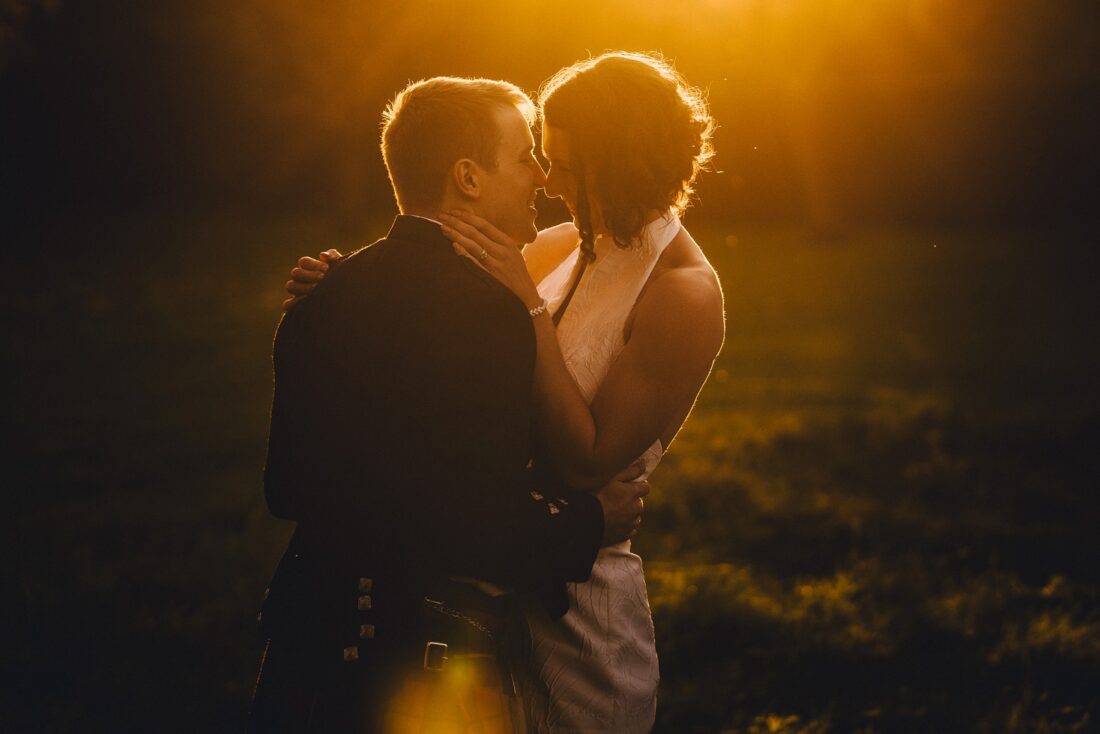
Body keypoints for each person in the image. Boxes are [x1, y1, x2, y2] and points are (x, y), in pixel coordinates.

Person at [288, 52, 725, 732]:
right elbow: (434, 311)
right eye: (542, 159)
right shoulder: (555, 246)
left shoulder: (684, 293)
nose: (549, 182)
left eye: (569, 166)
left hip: (579, 602)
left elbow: (587, 462)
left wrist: (527, 307)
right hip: (484, 581)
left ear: (622, 161)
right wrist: (339, 289)